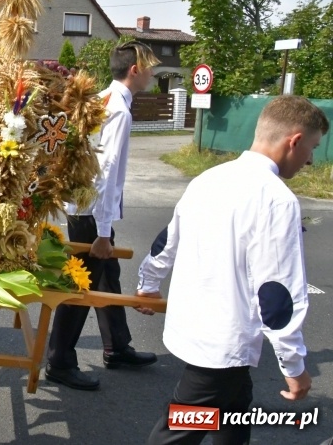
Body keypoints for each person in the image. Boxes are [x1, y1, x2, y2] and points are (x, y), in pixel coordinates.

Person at [136, 95, 327, 445]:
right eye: (312, 148)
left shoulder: (209, 178)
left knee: (234, 410)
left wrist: (149, 281)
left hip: (196, 328)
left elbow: (168, 238)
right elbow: (277, 293)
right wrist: (294, 366)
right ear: (295, 140)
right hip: (222, 343)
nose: (311, 159)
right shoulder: (277, 199)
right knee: (179, 430)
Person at [45, 41, 160, 391]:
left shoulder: (101, 99)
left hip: (84, 206)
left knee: (107, 276)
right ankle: (59, 361)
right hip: (92, 211)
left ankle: (117, 346)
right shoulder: (119, 110)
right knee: (81, 285)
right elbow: (106, 173)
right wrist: (104, 232)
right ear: (135, 70)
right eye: (150, 68)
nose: (153, 75)